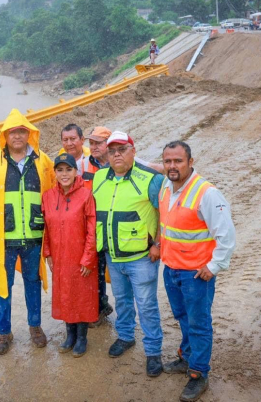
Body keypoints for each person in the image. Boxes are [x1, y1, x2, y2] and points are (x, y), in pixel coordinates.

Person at [0, 108, 56, 356]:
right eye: (12, 132)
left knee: (33, 283)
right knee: (2, 286)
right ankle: (4, 332)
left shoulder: (42, 160)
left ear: (29, 135)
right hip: (3, 239)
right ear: (5, 135)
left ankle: (35, 326)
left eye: (22, 132)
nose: (17, 136)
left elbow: (58, 192)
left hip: (34, 238)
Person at [158, 141, 236, 402]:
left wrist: (213, 267)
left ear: (191, 162)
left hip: (195, 275)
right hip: (171, 270)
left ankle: (198, 374)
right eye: (167, 161)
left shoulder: (207, 193)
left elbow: (226, 235)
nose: (172, 166)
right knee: (182, 317)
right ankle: (187, 357)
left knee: (199, 324)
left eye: (178, 161)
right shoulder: (166, 189)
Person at [92, 130, 165, 377]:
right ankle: (125, 336)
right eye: (112, 151)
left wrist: (158, 244)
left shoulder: (149, 179)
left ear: (133, 151)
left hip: (142, 258)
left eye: (122, 149)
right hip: (113, 257)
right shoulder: (100, 178)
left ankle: (153, 352)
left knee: (146, 305)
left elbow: (165, 213)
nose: (116, 155)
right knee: (121, 300)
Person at [42, 154, 98, 357]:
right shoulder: (48, 196)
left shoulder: (86, 195)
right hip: (59, 257)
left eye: (68, 169)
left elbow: (92, 230)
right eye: (60, 170)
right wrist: (47, 252)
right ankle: (70, 335)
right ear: (55, 172)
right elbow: (45, 229)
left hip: (80, 256)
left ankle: (82, 337)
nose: (64, 174)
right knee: (65, 294)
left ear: (76, 172)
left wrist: (88, 258)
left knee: (81, 296)